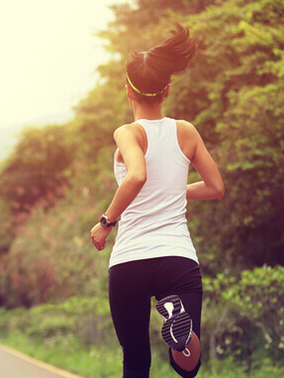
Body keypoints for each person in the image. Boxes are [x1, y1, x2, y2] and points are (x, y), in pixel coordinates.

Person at [90, 23, 224, 378]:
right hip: (177, 257)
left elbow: (136, 175)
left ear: (127, 91)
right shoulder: (186, 131)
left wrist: (106, 223)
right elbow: (215, 188)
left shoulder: (127, 133)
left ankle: (179, 333)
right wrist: (175, 191)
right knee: (187, 368)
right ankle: (181, 335)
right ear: (167, 90)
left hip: (130, 260)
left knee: (136, 363)